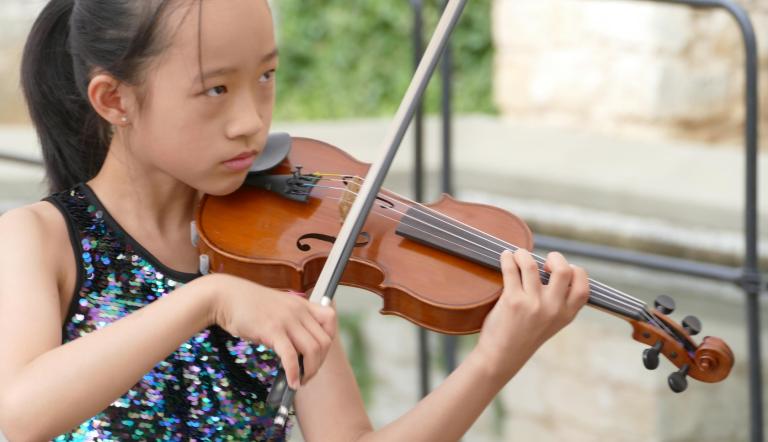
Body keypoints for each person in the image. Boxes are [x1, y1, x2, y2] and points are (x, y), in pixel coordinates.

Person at [0, 0, 590, 440]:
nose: (250, 122)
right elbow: (17, 413)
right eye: (215, 89)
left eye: (265, 77)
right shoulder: (40, 239)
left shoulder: (272, 250)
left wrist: (492, 362)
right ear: (114, 100)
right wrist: (206, 299)